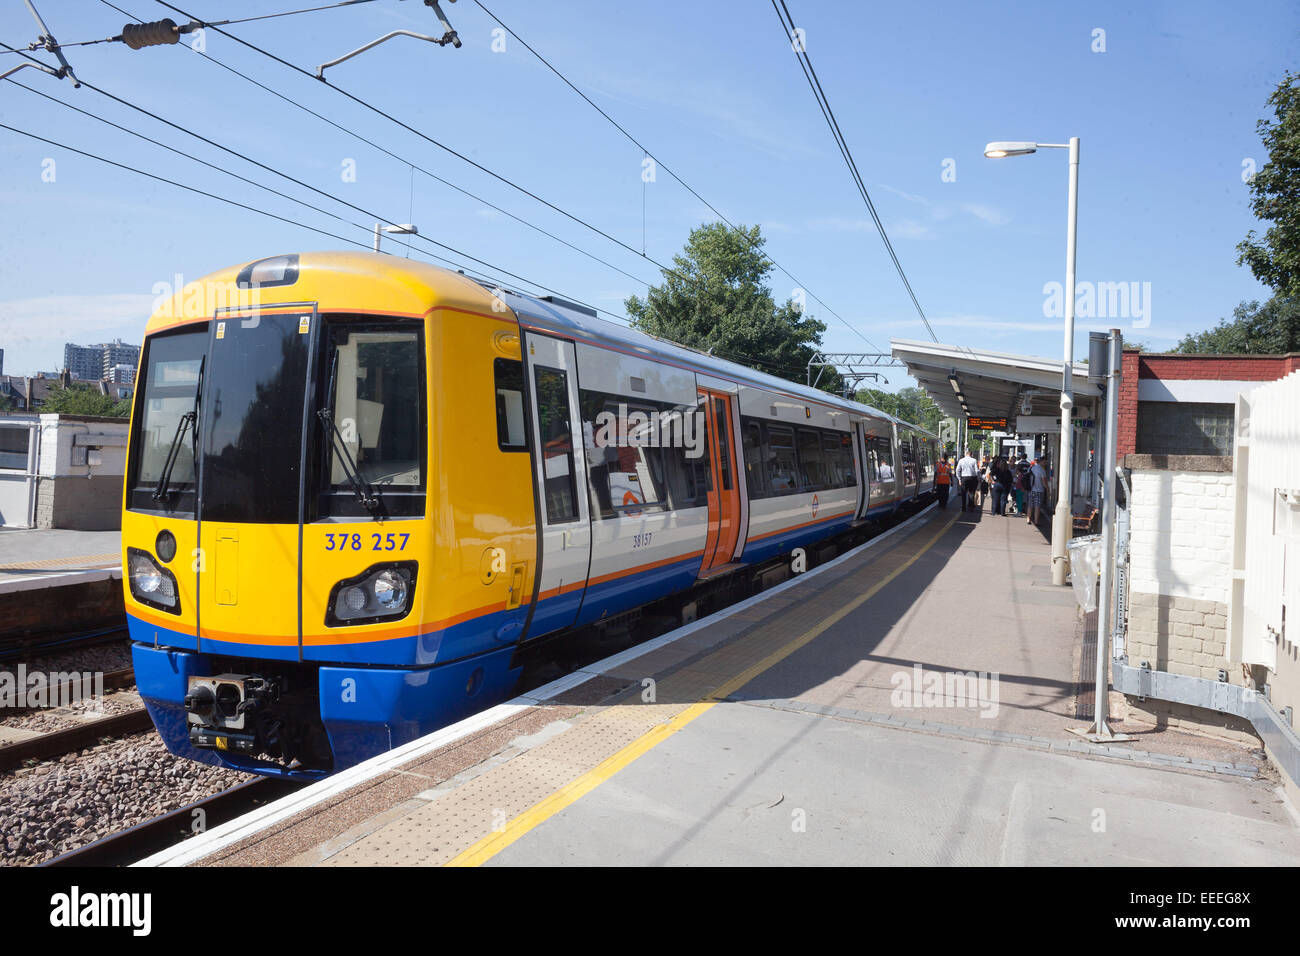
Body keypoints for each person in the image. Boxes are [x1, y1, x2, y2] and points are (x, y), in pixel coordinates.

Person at [955, 448, 980, 512]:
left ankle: (963, 508)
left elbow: (957, 470)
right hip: (972, 478)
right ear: (971, 454)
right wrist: (978, 478)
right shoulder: (974, 460)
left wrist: (959, 479)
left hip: (964, 478)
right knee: (971, 493)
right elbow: (977, 471)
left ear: (965, 454)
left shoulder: (961, 460)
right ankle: (971, 507)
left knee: (963, 493)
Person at [1028, 455, 1049, 526]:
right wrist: (1048, 489)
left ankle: (1028, 519)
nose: (1046, 464)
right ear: (1042, 461)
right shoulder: (1042, 470)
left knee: (1030, 505)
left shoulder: (1032, 468)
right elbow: (1044, 482)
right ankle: (1036, 521)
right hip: (1039, 491)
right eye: (1045, 462)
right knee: (1037, 506)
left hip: (1031, 490)